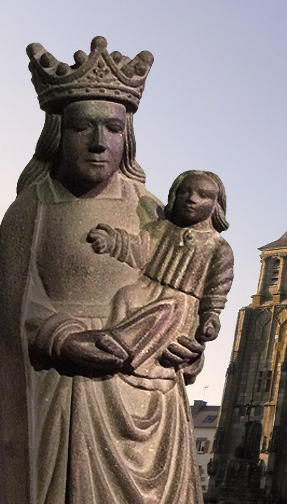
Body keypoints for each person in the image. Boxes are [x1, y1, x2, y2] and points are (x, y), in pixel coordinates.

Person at [0, 37, 218, 504]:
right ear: (59, 133)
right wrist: (60, 338)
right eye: (83, 128)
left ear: (127, 136)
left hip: (152, 402)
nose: (100, 143)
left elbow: (182, 293)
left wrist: (190, 351)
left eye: (113, 129)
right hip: (68, 395)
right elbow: (9, 304)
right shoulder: (32, 209)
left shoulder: (156, 213)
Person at [87, 170, 233, 376]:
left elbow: (217, 289)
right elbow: (137, 248)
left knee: (166, 311)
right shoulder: (160, 229)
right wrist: (113, 241)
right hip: (147, 288)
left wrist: (210, 317)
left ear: (216, 205)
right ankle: (114, 343)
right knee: (126, 296)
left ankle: (126, 349)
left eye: (203, 195)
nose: (192, 199)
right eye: (185, 192)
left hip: (180, 306)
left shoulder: (219, 248)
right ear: (174, 196)